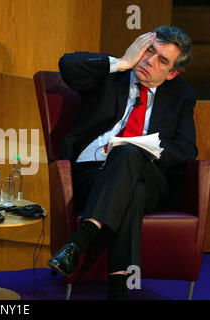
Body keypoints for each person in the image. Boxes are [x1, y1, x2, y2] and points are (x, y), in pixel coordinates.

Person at [47, 26, 197, 299]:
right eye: (149, 51)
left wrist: (145, 150)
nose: (150, 61)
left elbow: (187, 148)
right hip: (92, 173)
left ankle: (78, 242)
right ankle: (119, 291)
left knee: (128, 153)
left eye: (162, 60)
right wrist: (123, 62)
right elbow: (67, 65)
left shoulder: (181, 95)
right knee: (132, 191)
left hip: (150, 175)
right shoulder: (111, 76)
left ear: (172, 73)